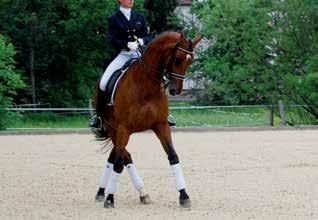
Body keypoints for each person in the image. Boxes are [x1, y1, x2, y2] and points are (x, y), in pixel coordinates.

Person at [89, 0, 176, 130]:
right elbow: (111, 39)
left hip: (140, 54)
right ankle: (99, 117)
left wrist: (141, 40)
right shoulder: (113, 18)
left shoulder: (139, 17)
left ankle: (165, 114)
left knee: (160, 79)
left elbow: (147, 37)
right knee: (104, 82)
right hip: (123, 54)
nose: (131, 0)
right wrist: (126, 44)